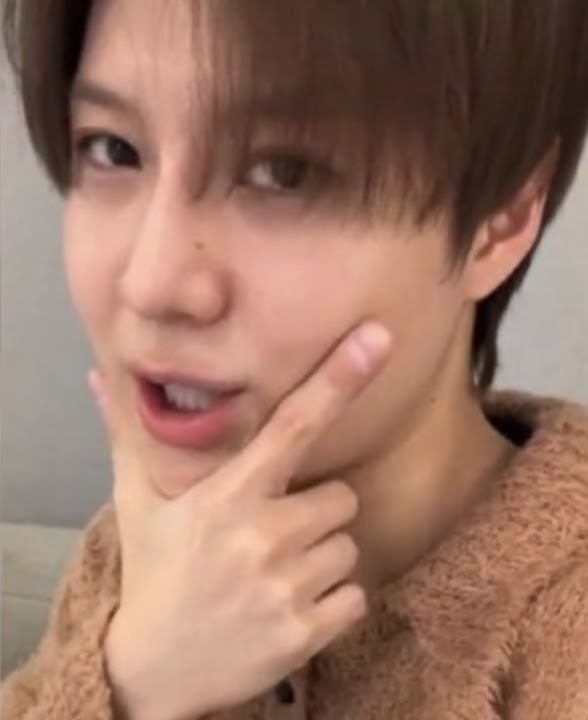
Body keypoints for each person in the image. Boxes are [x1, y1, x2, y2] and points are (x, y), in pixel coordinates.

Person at [2, 1, 587, 718]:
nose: (152, 283)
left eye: (285, 172)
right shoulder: (143, 550)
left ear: (501, 220)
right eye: (114, 149)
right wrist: (134, 684)